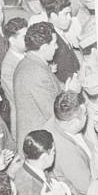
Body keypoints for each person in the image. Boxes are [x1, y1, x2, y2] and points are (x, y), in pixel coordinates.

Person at [13, 22, 61, 152]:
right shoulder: (35, 71)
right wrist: (72, 91)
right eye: (54, 44)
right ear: (44, 47)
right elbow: (55, 113)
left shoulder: (31, 63)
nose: (56, 47)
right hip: (39, 149)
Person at [0, 17, 27, 134]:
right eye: (24, 37)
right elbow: (19, 98)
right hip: (23, 123)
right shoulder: (8, 67)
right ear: (12, 40)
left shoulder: (29, 54)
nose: (29, 39)